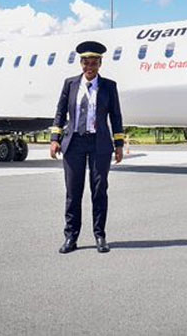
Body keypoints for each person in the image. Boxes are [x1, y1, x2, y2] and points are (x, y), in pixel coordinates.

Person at [50, 41, 125, 254]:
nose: (89, 67)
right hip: (74, 143)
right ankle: (71, 237)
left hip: (100, 143)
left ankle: (100, 235)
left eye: (94, 63)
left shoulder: (109, 86)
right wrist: (55, 139)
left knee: (99, 190)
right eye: (86, 62)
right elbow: (60, 112)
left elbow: (116, 116)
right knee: (73, 192)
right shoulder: (70, 84)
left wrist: (118, 144)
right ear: (80, 63)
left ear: (100, 63)